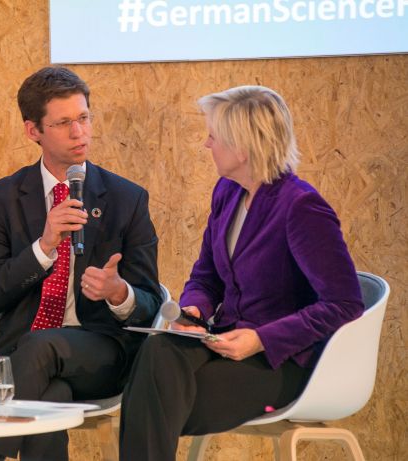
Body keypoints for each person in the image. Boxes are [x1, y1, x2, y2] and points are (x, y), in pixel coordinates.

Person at [118, 85, 365, 461]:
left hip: (280, 361)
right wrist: (195, 312)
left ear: (242, 147)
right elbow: (206, 275)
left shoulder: (301, 207)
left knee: (153, 399)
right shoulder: (227, 192)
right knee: (160, 349)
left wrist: (261, 338)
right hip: (223, 340)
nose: (206, 145)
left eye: (213, 137)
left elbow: (344, 303)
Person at [0, 66, 162, 461]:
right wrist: (42, 247)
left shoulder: (127, 199)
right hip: (21, 358)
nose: (80, 133)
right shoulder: (3, 197)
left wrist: (117, 292)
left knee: (43, 348)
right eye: (63, 123)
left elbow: (150, 303)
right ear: (33, 131)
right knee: (50, 395)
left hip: (101, 349)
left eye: (84, 118)